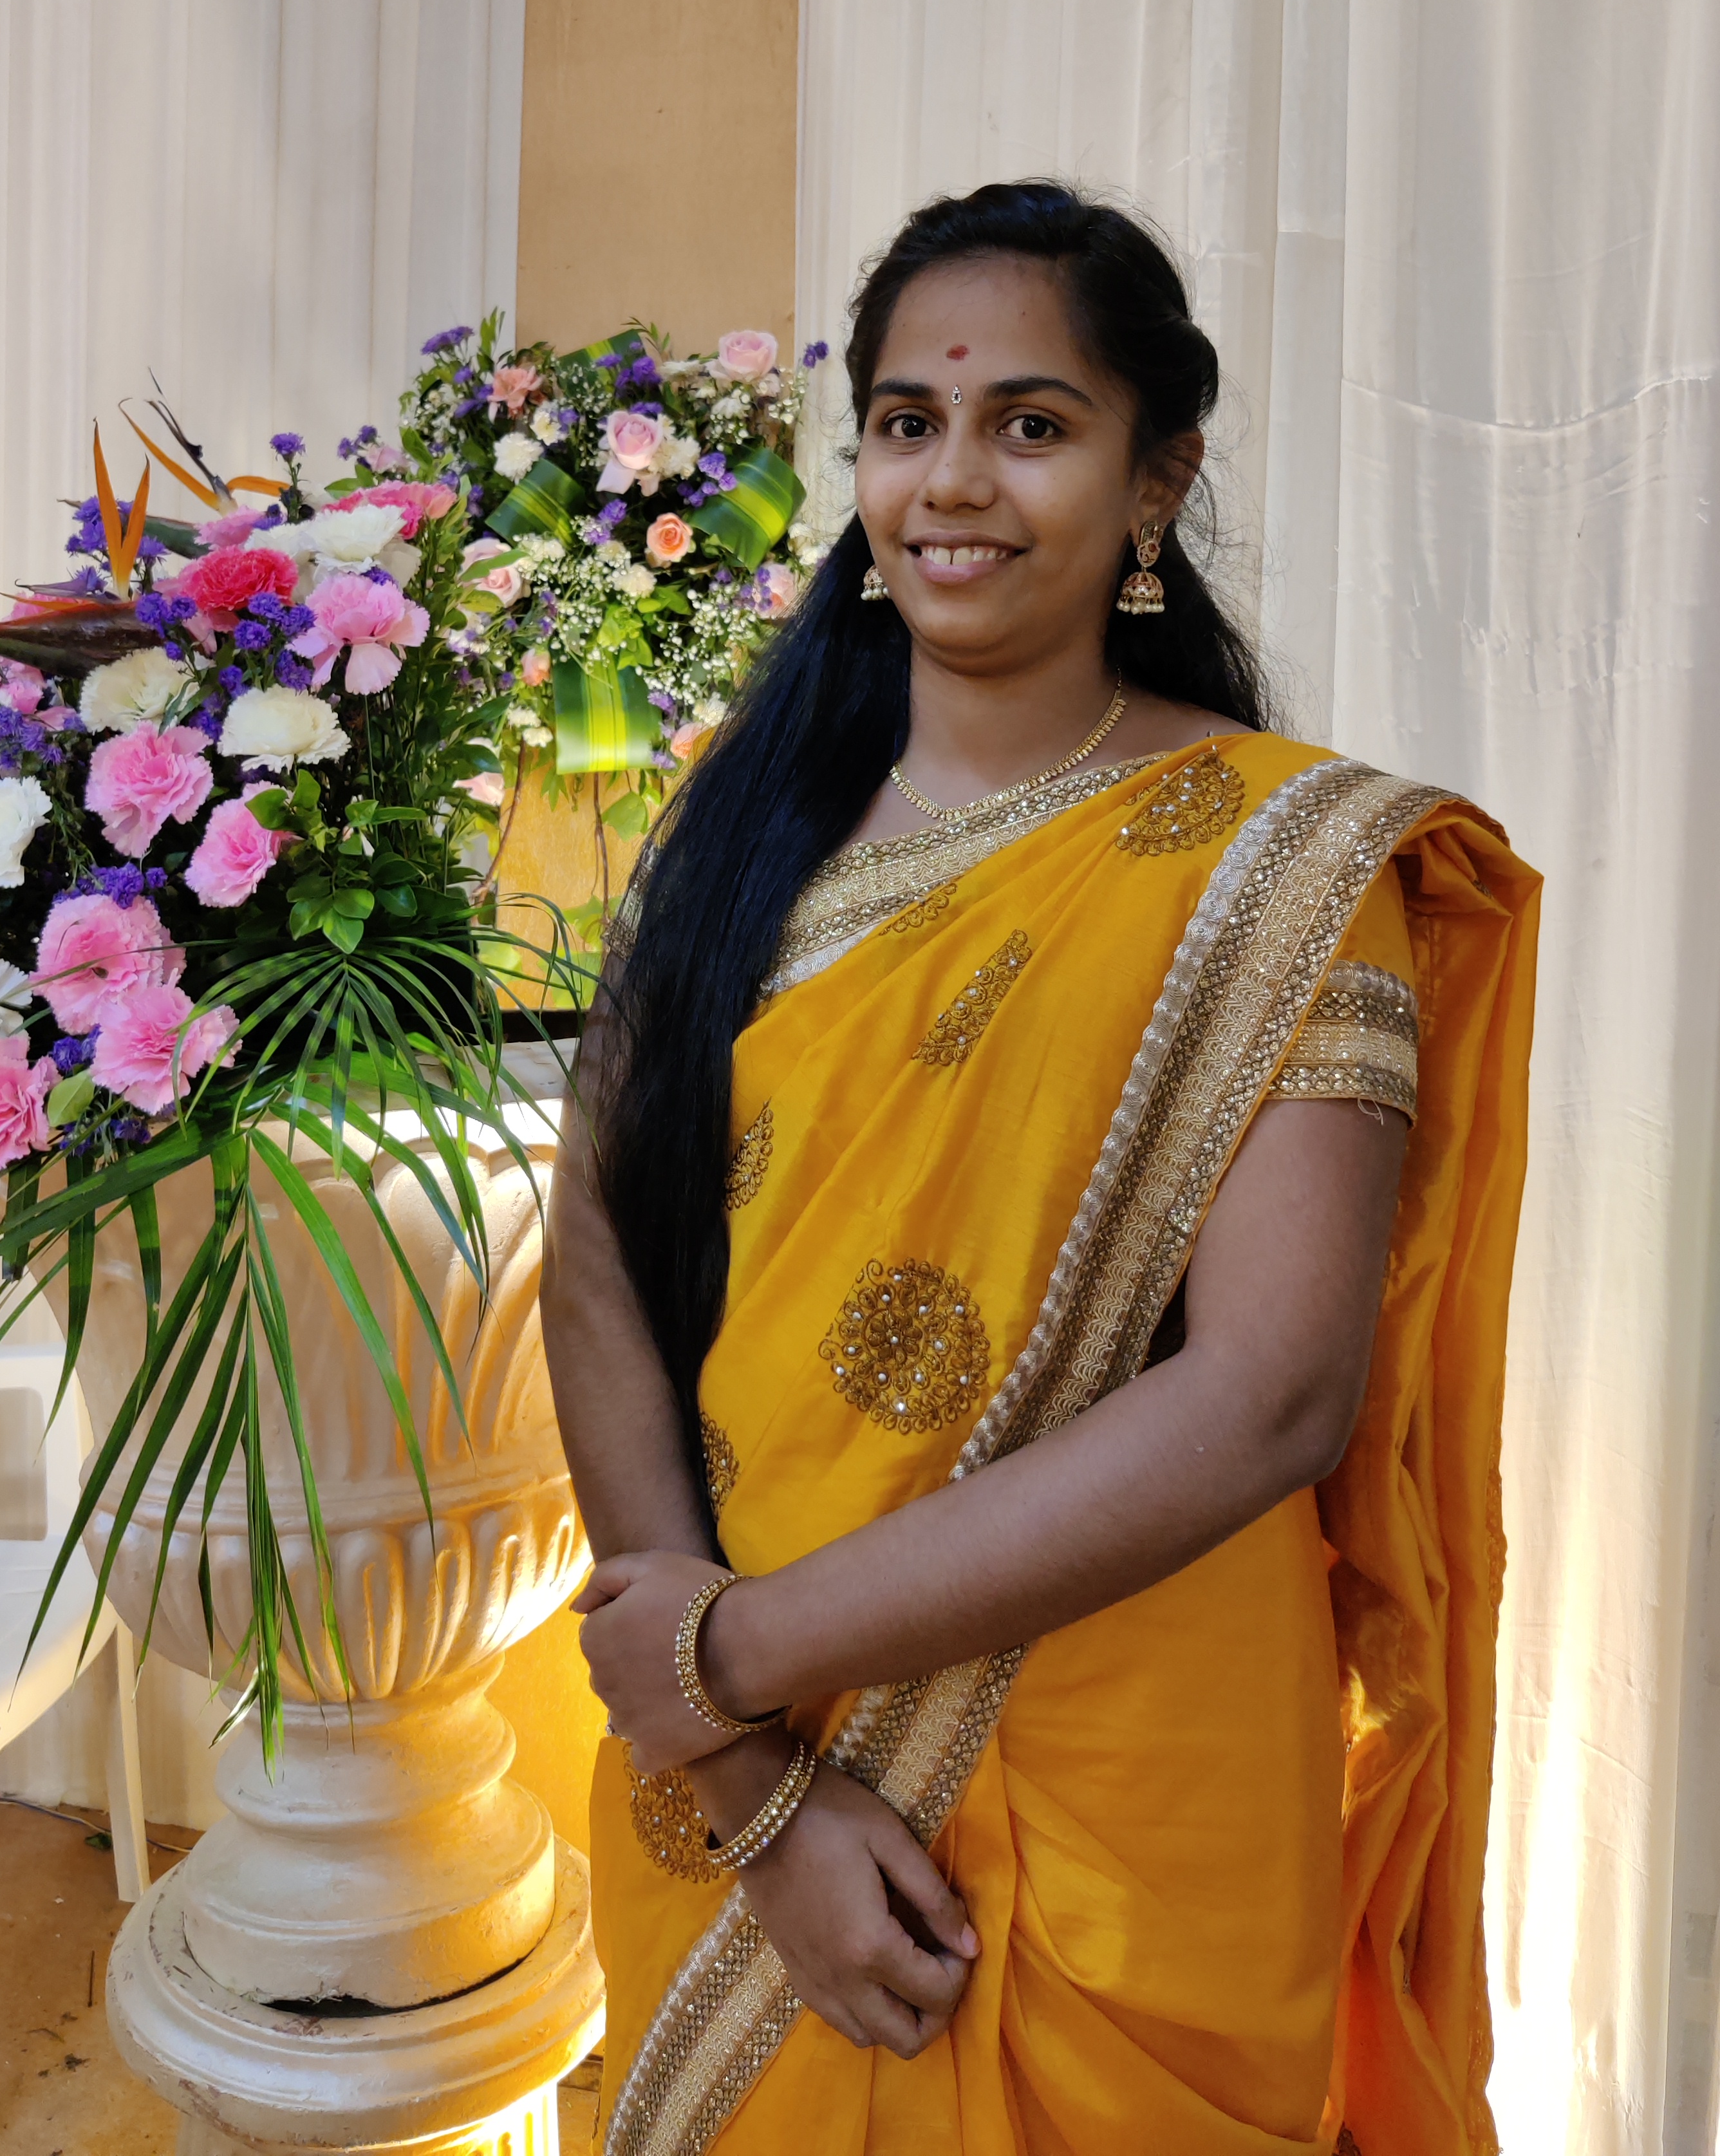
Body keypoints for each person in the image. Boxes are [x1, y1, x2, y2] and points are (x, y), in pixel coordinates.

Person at [539, 180, 1538, 2156]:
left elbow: (1272, 1395)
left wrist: (716, 1664)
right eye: (908, 423)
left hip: (1123, 1772)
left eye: (1033, 424)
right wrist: (747, 1787)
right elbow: (599, 1265)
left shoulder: (1283, 864)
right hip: (739, 1774)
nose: (954, 482)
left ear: (1157, 479)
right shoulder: (740, 822)